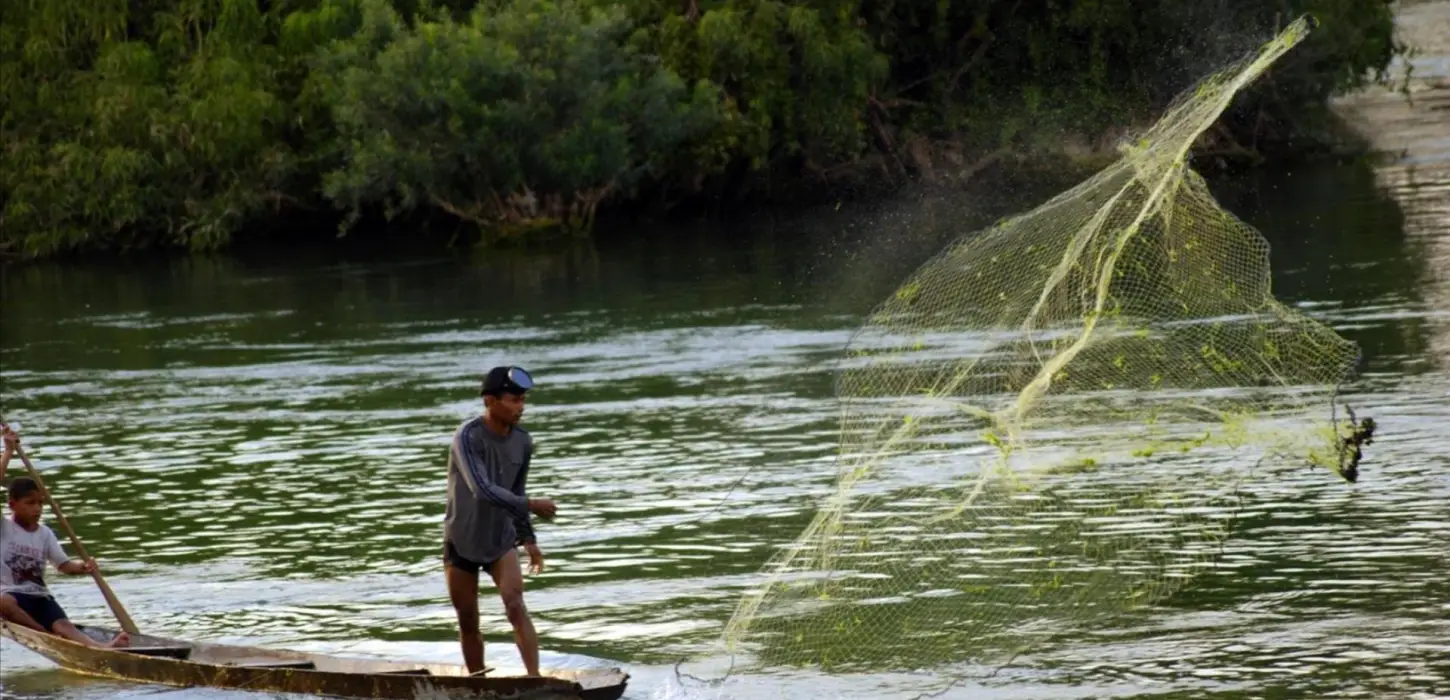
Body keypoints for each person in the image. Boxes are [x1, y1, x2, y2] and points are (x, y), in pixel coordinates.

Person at [443, 366, 557, 677]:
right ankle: (478, 684)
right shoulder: (466, 437)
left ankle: (534, 680)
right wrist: (532, 505)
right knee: (468, 619)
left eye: (524, 400)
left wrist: (529, 539)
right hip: (462, 541)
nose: (521, 406)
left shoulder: (523, 440)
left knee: (515, 604)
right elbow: (481, 489)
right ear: (490, 401)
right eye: (514, 400)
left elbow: (516, 490)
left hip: (501, 539)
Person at [0, 424, 130, 648]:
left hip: (40, 597)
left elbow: (63, 566)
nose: (37, 509)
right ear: (12, 505)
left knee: (63, 625)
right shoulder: (4, 528)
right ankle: (45, 635)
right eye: (30, 503)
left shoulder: (45, 533)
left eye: (40, 503)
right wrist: (9, 452)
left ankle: (102, 648)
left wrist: (83, 566)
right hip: (12, 597)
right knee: (2, 603)